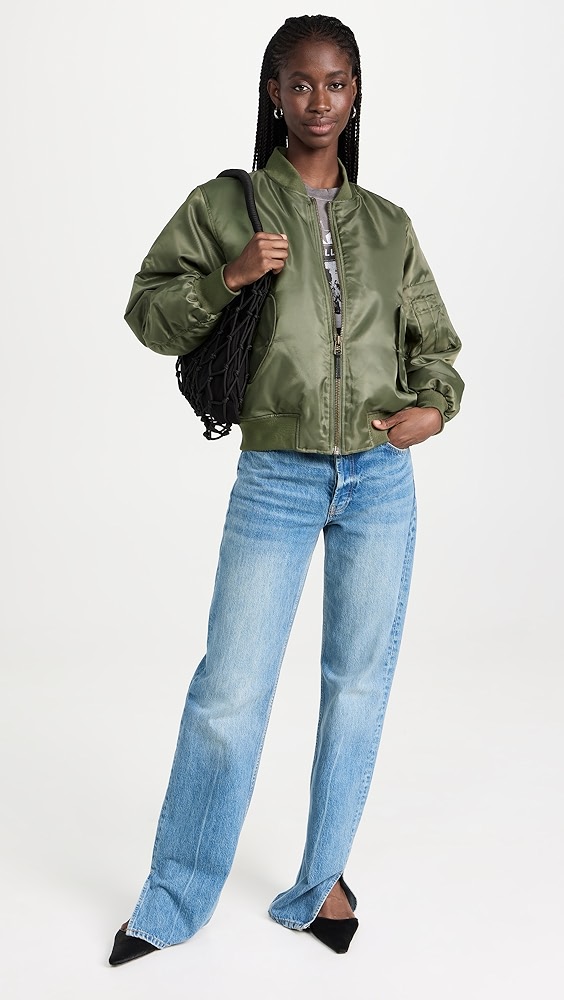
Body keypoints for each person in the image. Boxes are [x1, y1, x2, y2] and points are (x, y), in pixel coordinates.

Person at [109, 13, 464, 965]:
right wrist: (229, 276)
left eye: (336, 83)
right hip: (277, 475)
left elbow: (436, 343)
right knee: (230, 690)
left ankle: (321, 883)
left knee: (357, 686)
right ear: (273, 93)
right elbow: (148, 312)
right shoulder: (225, 204)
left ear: (356, 94)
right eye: (300, 83)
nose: (318, 101)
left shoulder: (388, 225)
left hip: (380, 480)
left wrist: (434, 407)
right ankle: (173, 898)